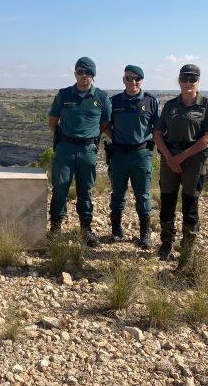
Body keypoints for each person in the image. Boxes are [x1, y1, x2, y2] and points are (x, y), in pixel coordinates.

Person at [153, 64, 208, 268]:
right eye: (184, 78)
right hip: (169, 159)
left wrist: (180, 158)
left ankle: (187, 248)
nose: (188, 83)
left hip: (194, 160)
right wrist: (169, 157)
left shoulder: (206, 105)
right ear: (179, 80)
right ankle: (166, 243)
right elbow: (157, 133)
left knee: (190, 206)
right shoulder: (171, 105)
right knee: (167, 202)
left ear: (198, 81)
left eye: (193, 79)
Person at [48, 57, 111, 247]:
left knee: (86, 190)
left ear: (93, 75)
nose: (84, 76)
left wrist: (89, 137)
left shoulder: (101, 97)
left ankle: (85, 229)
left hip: (87, 150)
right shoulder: (64, 95)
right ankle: (55, 228)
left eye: (88, 72)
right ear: (75, 73)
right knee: (60, 187)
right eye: (80, 72)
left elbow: (104, 123)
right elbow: (53, 121)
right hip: (65, 148)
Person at [108, 65, 159, 249]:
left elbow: (157, 129)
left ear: (142, 81)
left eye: (137, 79)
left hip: (141, 154)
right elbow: (106, 124)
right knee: (118, 192)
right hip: (119, 153)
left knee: (143, 194)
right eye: (129, 78)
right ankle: (116, 230)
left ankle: (145, 234)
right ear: (124, 80)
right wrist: (116, 139)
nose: (133, 82)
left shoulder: (150, 101)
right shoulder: (114, 101)